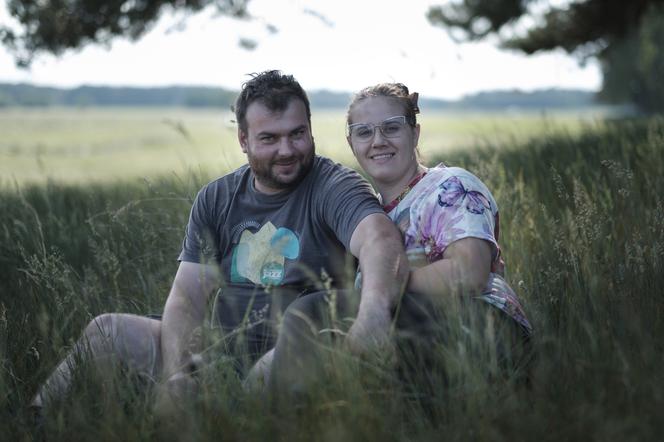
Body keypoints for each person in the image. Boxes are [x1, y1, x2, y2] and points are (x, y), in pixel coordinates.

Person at [30, 71, 409, 417]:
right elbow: (187, 297)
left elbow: (379, 239)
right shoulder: (217, 197)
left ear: (311, 130)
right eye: (269, 138)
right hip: (220, 345)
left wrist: (373, 314)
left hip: (293, 350)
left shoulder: (333, 185)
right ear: (243, 140)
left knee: (234, 394)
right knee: (106, 330)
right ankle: (33, 423)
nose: (287, 150)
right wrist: (176, 376)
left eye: (297, 133)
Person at [267, 83, 533, 397]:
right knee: (316, 319)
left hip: (483, 329)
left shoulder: (450, 185)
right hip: (415, 330)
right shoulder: (370, 218)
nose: (378, 141)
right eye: (364, 132)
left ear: (415, 133)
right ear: (351, 143)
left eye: (391, 128)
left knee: (315, 310)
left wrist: (380, 289)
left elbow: (469, 272)